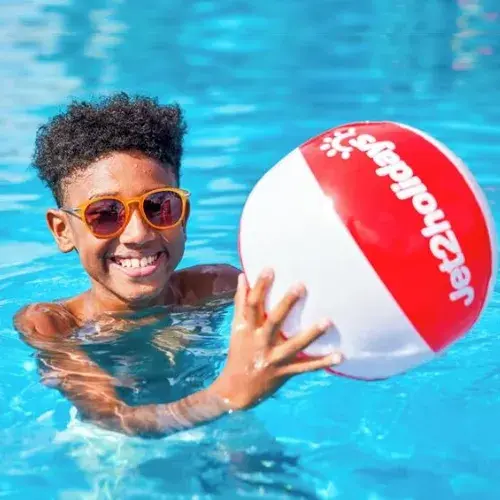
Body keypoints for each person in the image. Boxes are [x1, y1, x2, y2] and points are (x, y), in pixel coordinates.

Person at [13, 93, 342, 437]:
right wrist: (226, 395)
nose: (138, 235)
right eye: (106, 214)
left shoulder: (215, 288)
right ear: (63, 231)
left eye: (159, 206)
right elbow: (111, 420)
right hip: (117, 457)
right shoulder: (53, 325)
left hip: (221, 432)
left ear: (184, 216)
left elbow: (311, 297)